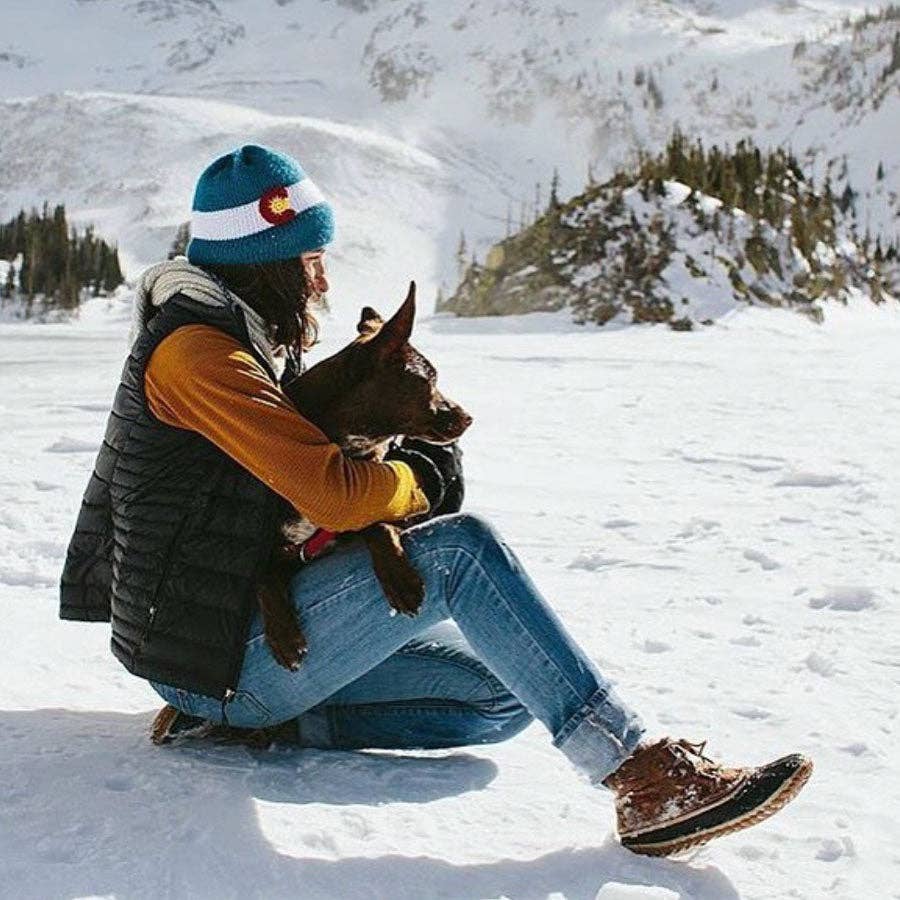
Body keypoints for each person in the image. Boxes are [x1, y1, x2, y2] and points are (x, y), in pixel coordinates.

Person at [59, 144, 811, 857]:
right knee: (460, 550)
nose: (322, 282)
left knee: (504, 691)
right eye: (311, 260)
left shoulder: (240, 336)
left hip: (225, 643)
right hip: (215, 654)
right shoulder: (200, 356)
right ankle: (640, 776)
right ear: (267, 263)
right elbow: (333, 496)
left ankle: (258, 725)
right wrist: (419, 482)